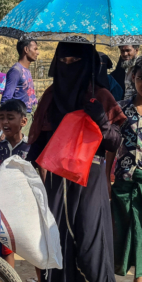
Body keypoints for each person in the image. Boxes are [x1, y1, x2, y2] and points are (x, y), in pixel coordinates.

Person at [27, 41, 126, 282]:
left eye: (75, 62)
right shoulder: (51, 96)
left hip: (89, 181)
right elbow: (37, 144)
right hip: (57, 181)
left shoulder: (100, 95)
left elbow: (115, 143)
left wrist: (102, 120)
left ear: (88, 64)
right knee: (59, 242)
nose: (68, 67)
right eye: (63, 62)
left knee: (89, 244)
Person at [108, 58, 142, 282]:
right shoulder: (121, 109)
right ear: (133, 78)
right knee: (120, 233)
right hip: (123, 181)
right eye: (140, 78)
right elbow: (111, 146)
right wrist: (104, 179)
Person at [0, 99, 29, 268]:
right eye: (1, 118)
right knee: (6, 249)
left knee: (34, 249)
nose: (5, 122)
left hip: (27, 207)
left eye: (10, 117)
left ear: (23, 121)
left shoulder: (30, 147)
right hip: (5, 208)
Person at [0, 40, 38, 135]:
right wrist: (5, 125)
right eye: (35, 49)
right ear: (26, 49)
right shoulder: (16, 71)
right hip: (19, 118)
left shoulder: (27, 71)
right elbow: (6, 98)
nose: (37, 52)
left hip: (29, 117)